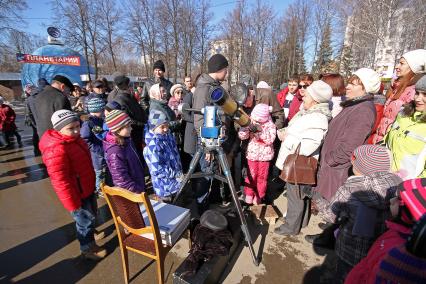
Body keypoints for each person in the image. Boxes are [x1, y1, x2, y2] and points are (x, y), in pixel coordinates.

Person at [306, 68, 379, 246]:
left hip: (337, 167)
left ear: (365, 88)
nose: (347, 87)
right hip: (333, 166)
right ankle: (331, 232)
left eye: (354, 84)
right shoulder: (355, 105)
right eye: (350, 82)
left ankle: (329, 239)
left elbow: (349, 146)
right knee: (334, 204)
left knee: (336, 204)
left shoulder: (363, 110)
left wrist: (331, 159)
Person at [322, 145, 402, 282]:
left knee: (344, 275)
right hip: (379, 248)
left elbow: (331, 215)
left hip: (350, 248)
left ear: (360, 166)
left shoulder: (350, 189)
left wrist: (319, 202)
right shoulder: (397, 184)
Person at [39, 110, 106, 260]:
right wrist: (72, 203)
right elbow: (60, 180)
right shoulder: (56, 149)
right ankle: (87, 248)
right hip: (76, 194)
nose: (76, 130)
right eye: (71, 128)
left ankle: (91, 234)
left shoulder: (76, 139)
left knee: (91, 213)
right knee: (83, 221)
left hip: (86, 187)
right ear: (58, 129)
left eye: (78, 126)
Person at [274, 80, 333, 236]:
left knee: (296, 196)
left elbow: (309, 145)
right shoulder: (308, 113)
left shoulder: (317, 117)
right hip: (297, 160)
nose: (303, 97)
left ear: (315, 99)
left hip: (299, 162)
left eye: (306, 95)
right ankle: (302, 221)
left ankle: (290, 228)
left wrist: (287, 138)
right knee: (301, 194)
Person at [345, 178, 425, 284]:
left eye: (398, 199)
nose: (391, 200)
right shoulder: (397, 230)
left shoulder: (399, 252)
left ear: (412, 213)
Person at [372, 49, 426, 143]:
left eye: (402, 63)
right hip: (379, 141)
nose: (397, 66)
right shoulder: (396, 87)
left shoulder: (415, 92)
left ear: (414, 68)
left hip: (392, 145)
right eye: (398, 63)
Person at [384, 75, 426, 180]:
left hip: (409, 187)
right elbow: (387, 141)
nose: (418, 98)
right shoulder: (403, 114)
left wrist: (414, 186)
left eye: (425, 94)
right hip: (386, 177)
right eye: (417, 93)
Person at [238, 103, 276, 205]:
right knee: (251, 175)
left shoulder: (270, 125)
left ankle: (259, 196)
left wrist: (258, 132)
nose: (255, 120)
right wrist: (246, 129)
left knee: (262, 177)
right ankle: (249, 195)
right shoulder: (251, 121)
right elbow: (242, 136)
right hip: (252, 154)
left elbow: (270, 139)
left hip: (265, 156)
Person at [143, 110, 183, 202]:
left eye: (167, 125)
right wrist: (176, 174)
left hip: (175, 183)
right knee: (169, 210)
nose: (166, 129)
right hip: (165, 188)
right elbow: (157, 169)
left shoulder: (167, 136)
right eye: (162, 127)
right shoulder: (153, 146)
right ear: (153, 128)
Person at [103, 110, 145, 193]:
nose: (131, 128)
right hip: (133, 193)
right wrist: (138, 191)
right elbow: (121, 180)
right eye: (128, 126)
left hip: (137, 185)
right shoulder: (115, 152)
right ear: (118, 130)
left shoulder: (126, 140)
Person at [112, 74, 147, 154]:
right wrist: (141, 123)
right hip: (133, 132)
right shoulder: (120, 99)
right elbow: (126, 119)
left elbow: (139, 110)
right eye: (128, 85)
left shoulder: (130, 96)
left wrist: (145, 117)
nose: (130, 87)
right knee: (137, 154)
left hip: (139, 131)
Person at [80, 98, 107, 196]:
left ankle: (103, 187)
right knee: (99, 172)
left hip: (102, 151)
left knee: (103, 171)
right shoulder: (88, 123)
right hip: (97, 154)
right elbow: (85, 139)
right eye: (102, 110)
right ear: (96, 110)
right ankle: (99, 189)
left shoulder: (99, 120)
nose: (104, 112)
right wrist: (98, 149)